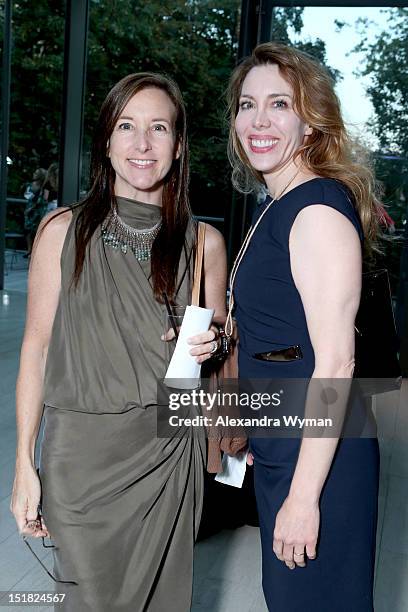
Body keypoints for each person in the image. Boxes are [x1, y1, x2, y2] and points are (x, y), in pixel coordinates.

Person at [11, 72, 227, 611]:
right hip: (79, 459)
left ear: (178, 147)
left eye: (159, 128)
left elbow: (219, 347)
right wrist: (23, 464)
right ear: (107, 140)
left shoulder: (204, 245)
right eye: (127, 126)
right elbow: (36, 348)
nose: (142, 143)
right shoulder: (63, 230)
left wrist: (216, 341)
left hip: (166, 450)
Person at [226, 43, 380, 611]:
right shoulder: (278, 203)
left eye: (279, 104)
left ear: (311, 121)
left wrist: (304, 497)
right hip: (285, 435)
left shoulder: (315, 211)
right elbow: (282, 336)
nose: (258, 121)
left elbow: (337, 363)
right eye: (247, 104)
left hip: (320, 456)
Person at [23, 168, 47, 256]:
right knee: (27, 230)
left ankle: (35, 249)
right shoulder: (30, 185)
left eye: (36, 173)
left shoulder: (44, 187)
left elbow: (43, 200)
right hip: (29, 210)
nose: (34, 174)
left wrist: (33, 206)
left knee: (37, 229)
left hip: (38, 210)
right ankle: (29, 249)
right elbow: (27, 196)